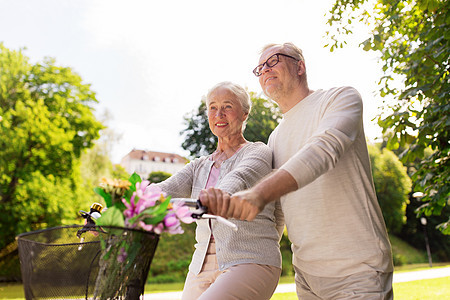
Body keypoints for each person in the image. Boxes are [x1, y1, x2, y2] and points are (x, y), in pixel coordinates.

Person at [200, 43, 394, 299]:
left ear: (299, 66)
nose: (265, 70)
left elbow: (323, 149)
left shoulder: (339, 98)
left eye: (273, 61)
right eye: (260, 68)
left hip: (357, 270)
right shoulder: (275, 138)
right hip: (307, 279)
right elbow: (278, 211)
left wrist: (258, 194)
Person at [155, 81, 283, 300]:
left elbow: (240, 177)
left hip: (250, 258)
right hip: (200, 267)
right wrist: (120, 203)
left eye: (227, 107)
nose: (219, 114)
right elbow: (163, 189)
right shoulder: (199, 165)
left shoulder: (258, 152)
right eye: (213, 107)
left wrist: (219, 195)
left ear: (244, 113)